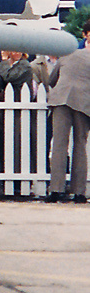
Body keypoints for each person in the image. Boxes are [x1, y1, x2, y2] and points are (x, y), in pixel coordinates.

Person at [45, 32, 90, 203]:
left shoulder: (68, 53)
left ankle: (56, 189)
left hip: (61, 99)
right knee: (80, 145)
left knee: (59, 145)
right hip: (84, 102)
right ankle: (79, 192)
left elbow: (51, 79)